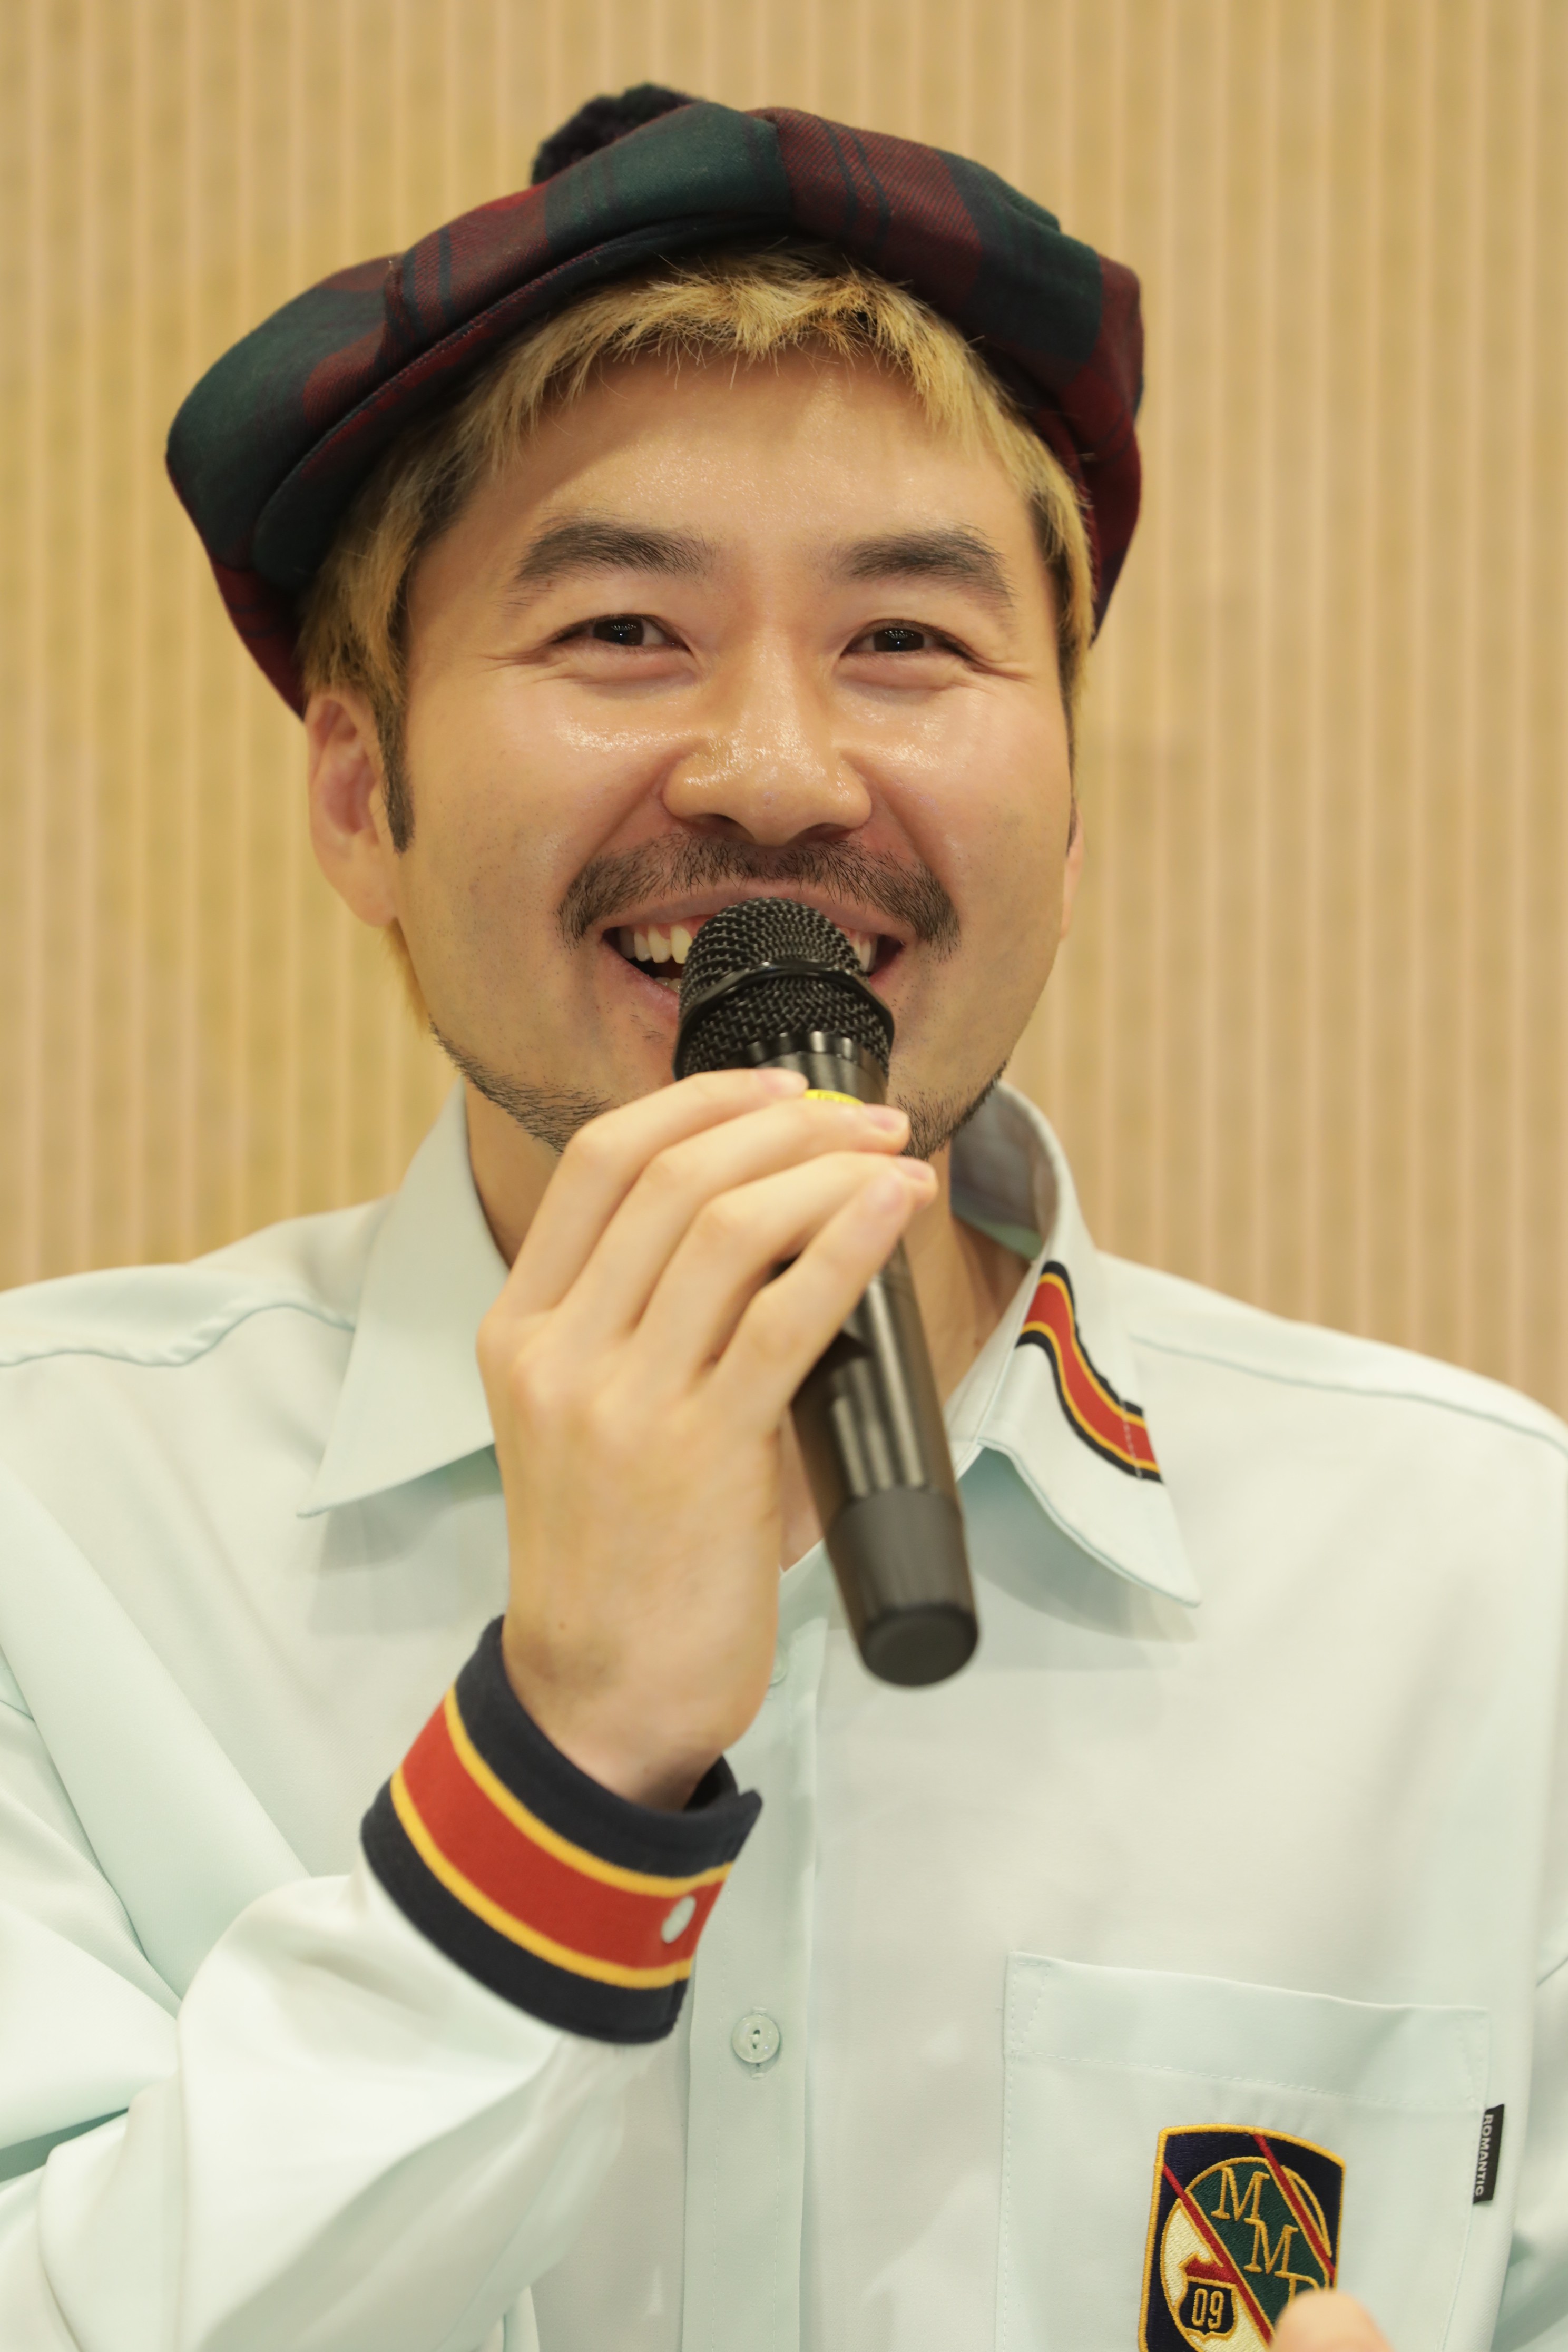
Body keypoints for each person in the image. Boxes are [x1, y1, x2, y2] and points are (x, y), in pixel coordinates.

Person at [0, 85, 1561, 2352]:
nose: (777, 775)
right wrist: (564, 1758)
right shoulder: (47, 1527)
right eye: (623, 627)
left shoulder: (1486, 1586)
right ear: (360, 795)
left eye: (908, 642)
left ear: (1070, 802)